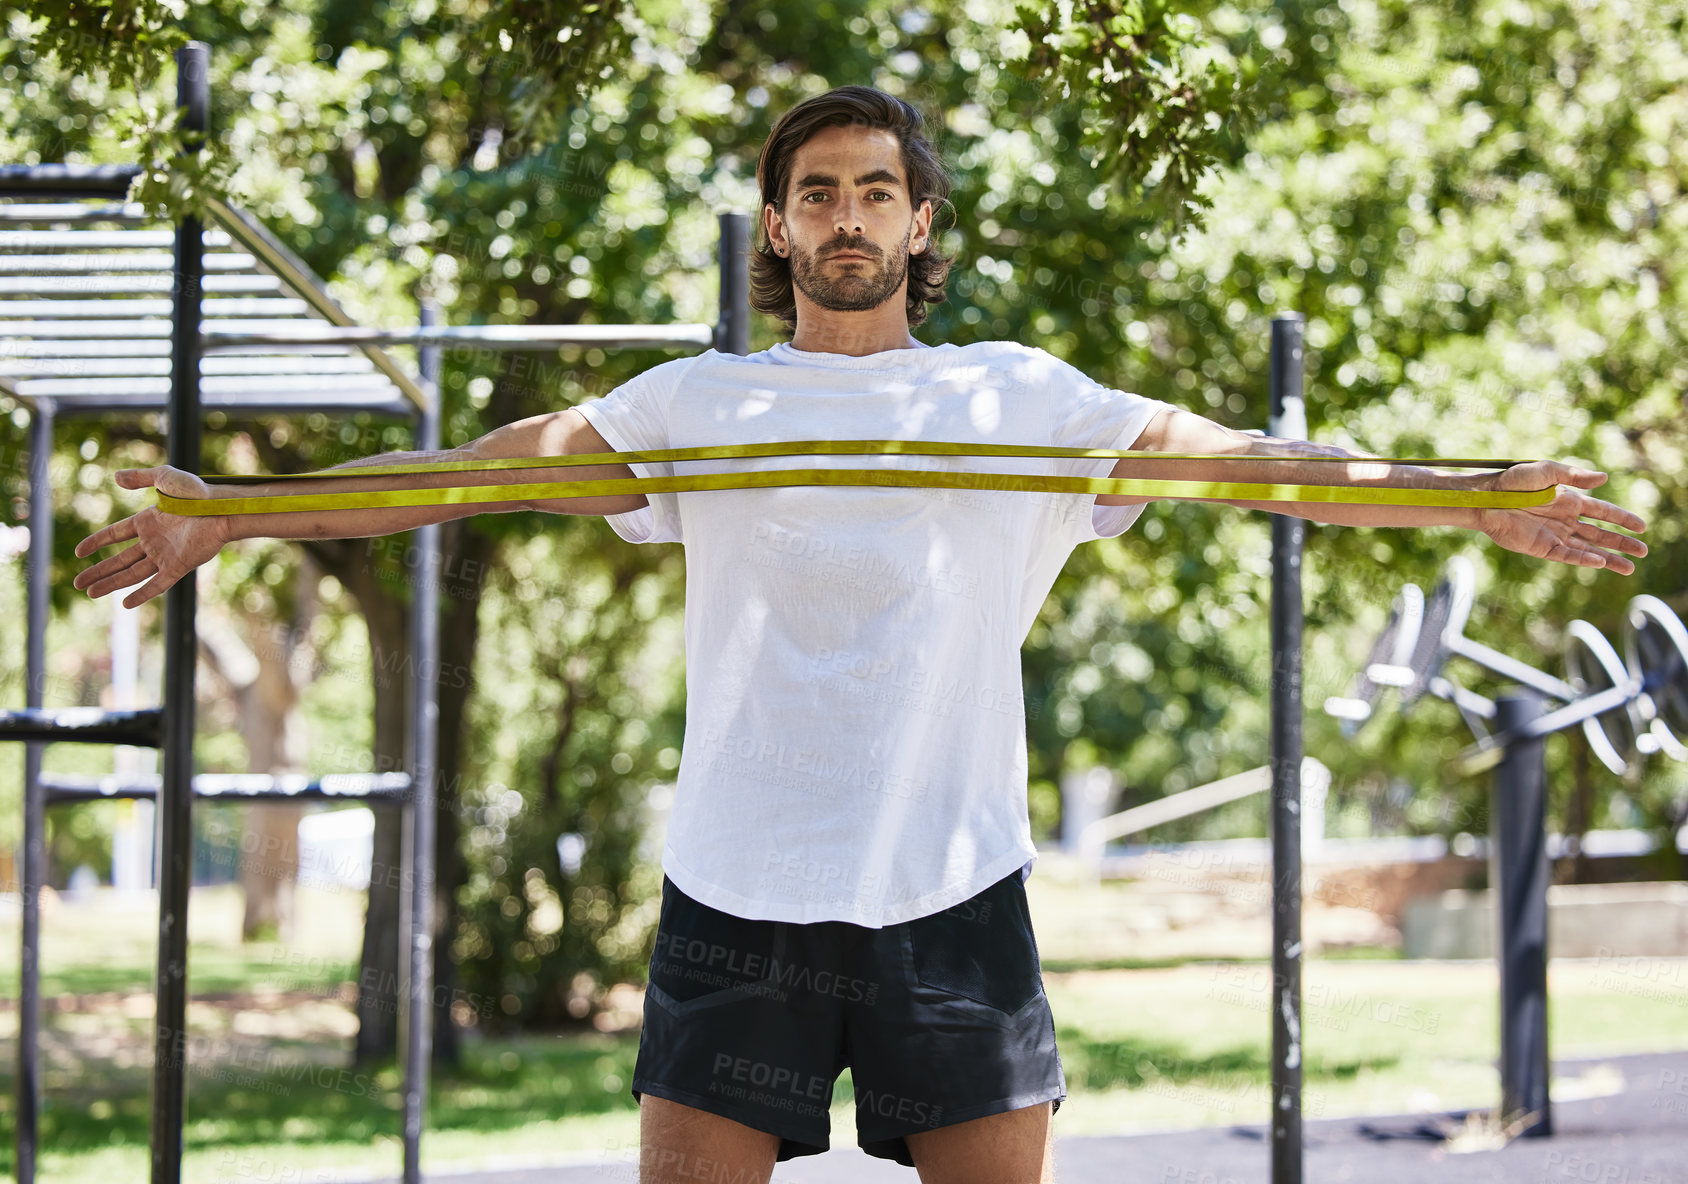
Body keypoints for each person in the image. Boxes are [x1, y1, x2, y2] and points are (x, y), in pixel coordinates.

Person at [73, 86, 1646, 1184]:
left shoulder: (1025, 400)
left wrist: (1466, 499)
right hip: (733, 896)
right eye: (816, 190)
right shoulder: (697, 406)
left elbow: (1257, 466)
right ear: (777, 220)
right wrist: (232, 512)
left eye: (875, 190)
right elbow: (463, 481)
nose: (845, 214)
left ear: (918, 221)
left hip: (954, 894)